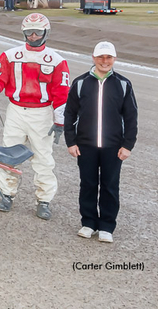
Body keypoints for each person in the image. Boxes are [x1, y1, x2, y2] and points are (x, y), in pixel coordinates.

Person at [0, 12, 70, 220]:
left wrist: (60, 121)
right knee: (8, 154)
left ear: (46, 33)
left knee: (43, 158)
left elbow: (62, 93)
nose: (33, 36)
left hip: (41, 113)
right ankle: (6, 194)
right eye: (28, 32)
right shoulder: (10, 55)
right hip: (15, 111)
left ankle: (44, 200)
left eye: (37, 32)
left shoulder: (58, 61)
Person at [64, 41, 138, 243]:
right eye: (101, 57)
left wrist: (127, 145)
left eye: (109, 57)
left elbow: (131, 117)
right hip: (85, 145)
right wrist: (71, 142)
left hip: (113, 147)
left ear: (114, 59)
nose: (105, 61)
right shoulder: (80, 83)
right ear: (93, 58)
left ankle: (106, 226)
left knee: (110, 186)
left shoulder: (123, 84)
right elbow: (69, 114)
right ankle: (88, 223)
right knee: (88, 184)